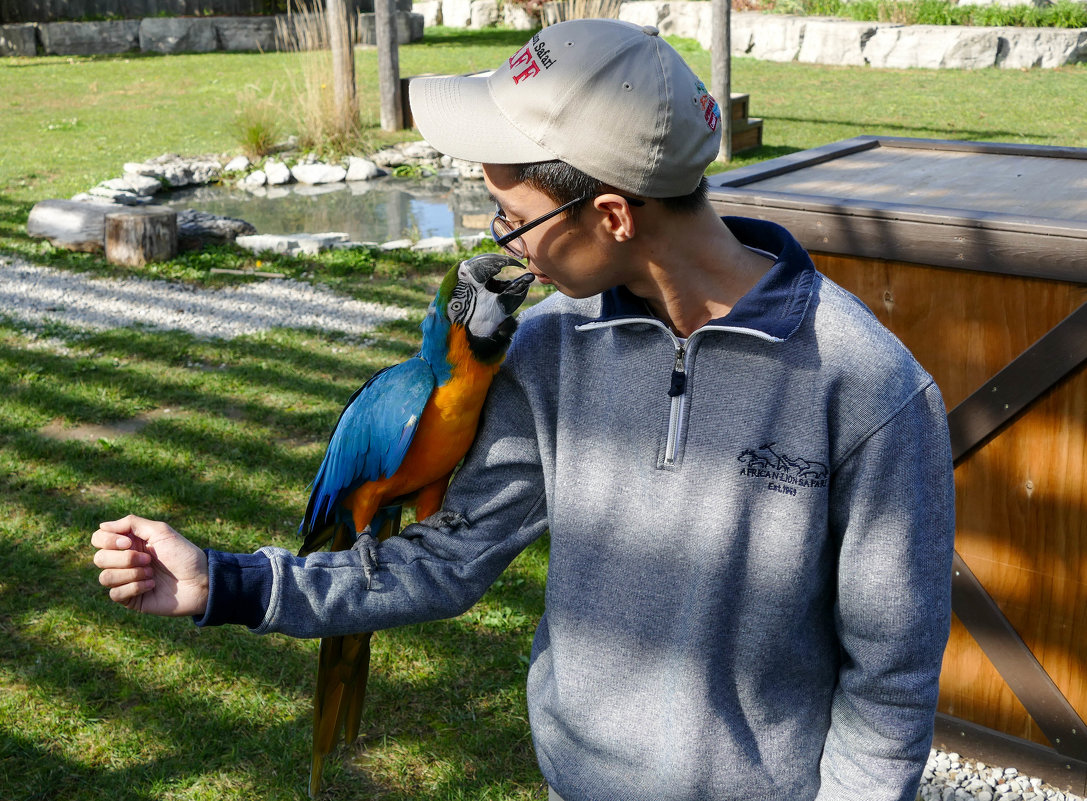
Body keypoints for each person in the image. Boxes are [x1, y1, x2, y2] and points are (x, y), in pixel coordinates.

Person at [92, 18, 955, 801]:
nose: (503, 246)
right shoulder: (547, 349)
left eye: (512, 220)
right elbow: (445, 556)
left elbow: (891, 679)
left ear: (611, 214)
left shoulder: (868, 387)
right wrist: (229, 582)